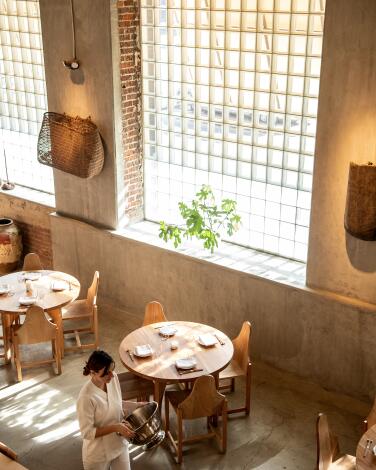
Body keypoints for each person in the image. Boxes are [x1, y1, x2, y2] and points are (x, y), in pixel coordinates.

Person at [76, 350, 141, 470]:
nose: (111, 375)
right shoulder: (86, 398)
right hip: (98, 454)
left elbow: (115, 403)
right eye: (106, 373)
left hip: (119, 444)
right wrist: (116, 427)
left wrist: (138, 405)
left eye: (112, 369)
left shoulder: (113, 378)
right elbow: (87, 433)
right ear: (93, 373)